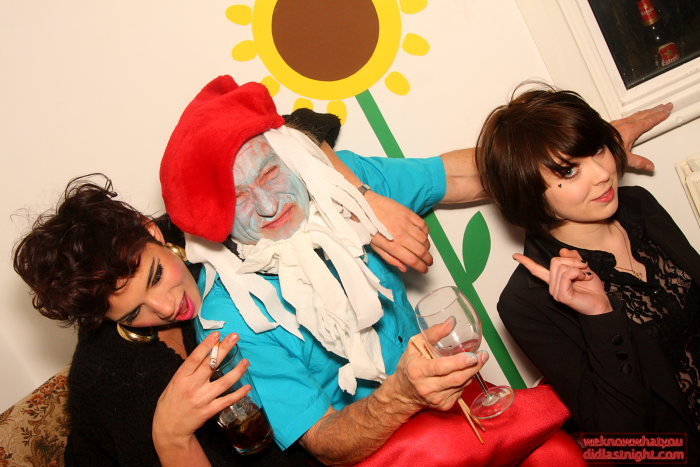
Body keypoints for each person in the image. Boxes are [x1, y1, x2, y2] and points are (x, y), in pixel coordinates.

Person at [159, 75, 671, 465]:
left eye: (270, 173)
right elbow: (323, 444)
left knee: (562, 453)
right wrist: (400, 397)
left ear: (293, 159)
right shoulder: (230, 319)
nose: (269, 206)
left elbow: (466, 175)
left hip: (465, 415)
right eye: (238, 199)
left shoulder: (345, 188)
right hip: (386, 453)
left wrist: (588, 156)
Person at [476, 85, 699, 462]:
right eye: (569, 170)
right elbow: (621, 442)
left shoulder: (638, 205)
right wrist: (600, 317)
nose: (602, 174)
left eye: (597, 150)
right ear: (528, 191)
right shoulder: (526, 301)